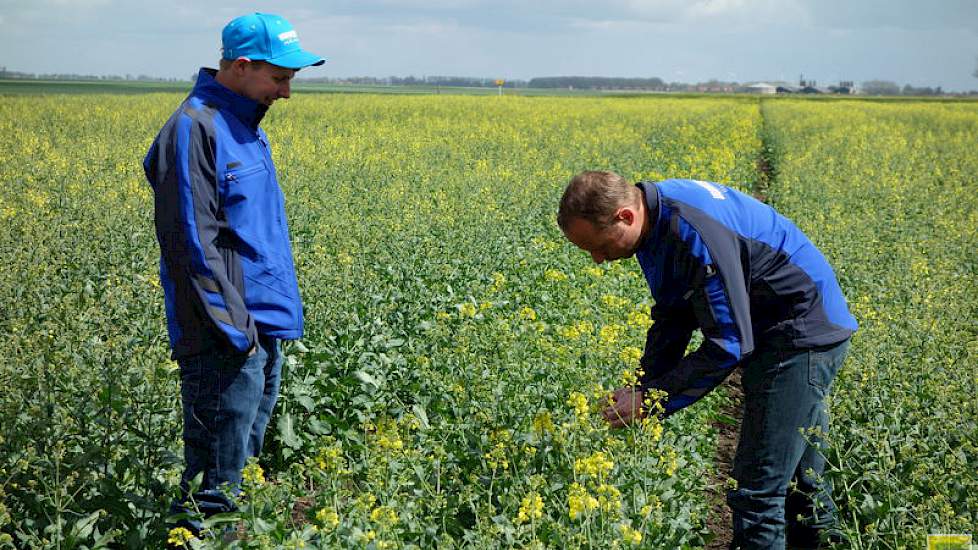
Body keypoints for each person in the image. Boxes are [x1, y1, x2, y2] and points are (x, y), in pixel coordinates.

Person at [557, 171, 857, 549]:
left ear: (625, 216)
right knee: (801, 488)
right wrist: (642, 388)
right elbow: (673, 315)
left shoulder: (692, 230)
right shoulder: (658, 219)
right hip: (790, 328)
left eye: (597, 246)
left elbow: (729, 344)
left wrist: (653, 402)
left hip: (800, 335)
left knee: (756, 493)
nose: (598, 260)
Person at [143, 12, 324, 536]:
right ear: (242, 66)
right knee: (214, 490)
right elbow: (191, 243)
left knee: (239, 472)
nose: (287, 92)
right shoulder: (193, 128)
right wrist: (235, 333)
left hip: (260, 331)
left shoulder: (243, 127)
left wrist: (267, 330)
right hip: (225, 338)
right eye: (279, 77)